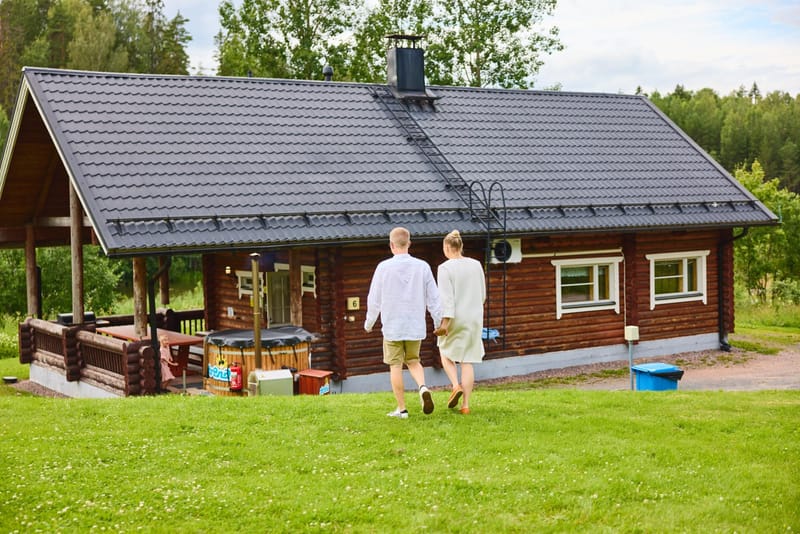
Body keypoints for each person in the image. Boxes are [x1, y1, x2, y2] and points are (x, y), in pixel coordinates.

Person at [365, 227, 442, 418]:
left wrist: (369, 323)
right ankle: (423, 387)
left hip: (393, 326)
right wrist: (438, 322)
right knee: (414, 361)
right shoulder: (422, 266)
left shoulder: (383, 268)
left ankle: (402, 409)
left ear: (391, 245)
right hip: (415, 325)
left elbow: (374, 299)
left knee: (395, 365)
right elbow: (434, 298)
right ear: (409, 244)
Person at [434, 230, 486, 414]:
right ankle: (466, 406)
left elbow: (447, 300)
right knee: (467, 360)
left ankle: (456, 385)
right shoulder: (476, 265)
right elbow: (482, 294)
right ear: (461, 246)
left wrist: (444, 324)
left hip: (455, 317)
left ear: (447, 247)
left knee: (443, 350)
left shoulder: (445, 268)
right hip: (474, 317)